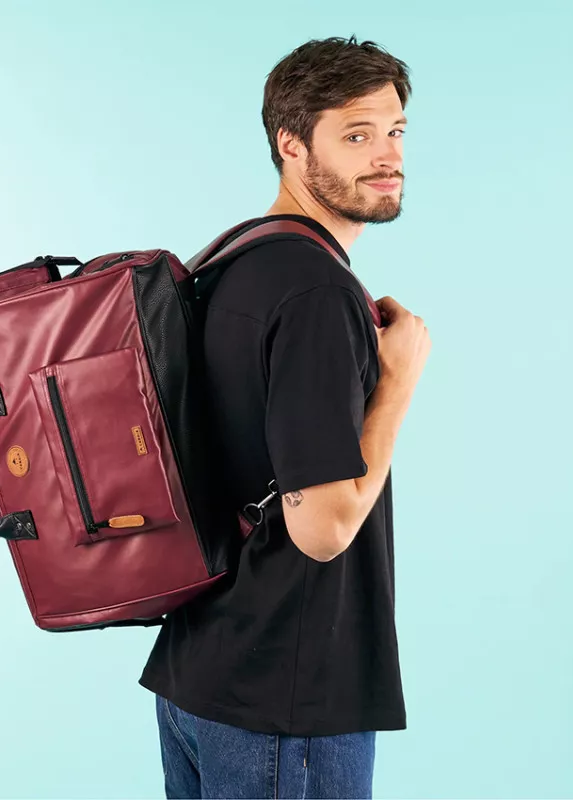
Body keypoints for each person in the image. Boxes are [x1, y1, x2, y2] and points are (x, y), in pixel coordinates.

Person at [138, 34, 432, 799]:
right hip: (286, 702)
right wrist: (399, 383)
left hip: (200, 676)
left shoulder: (235, 259)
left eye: (395, 130)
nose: (388, 156)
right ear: (291, 144)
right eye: (357, 135)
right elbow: (322, 528)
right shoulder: (316, 294)